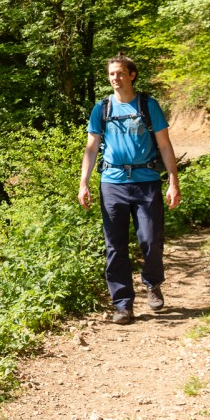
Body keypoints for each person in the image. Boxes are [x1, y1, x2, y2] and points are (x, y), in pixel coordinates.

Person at [78, 55, 181, 325]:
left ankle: (152, 282)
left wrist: (173, 181)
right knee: (115, 246)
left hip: (146, 181)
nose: (115, 78)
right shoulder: (101, 108)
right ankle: (123, 305)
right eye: (112, 74)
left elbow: (165, 145)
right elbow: (91, 147)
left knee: (150, 240)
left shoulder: (148, 105)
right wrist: (84, 182)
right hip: (112, 183)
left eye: (120, 73)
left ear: (132, 75)